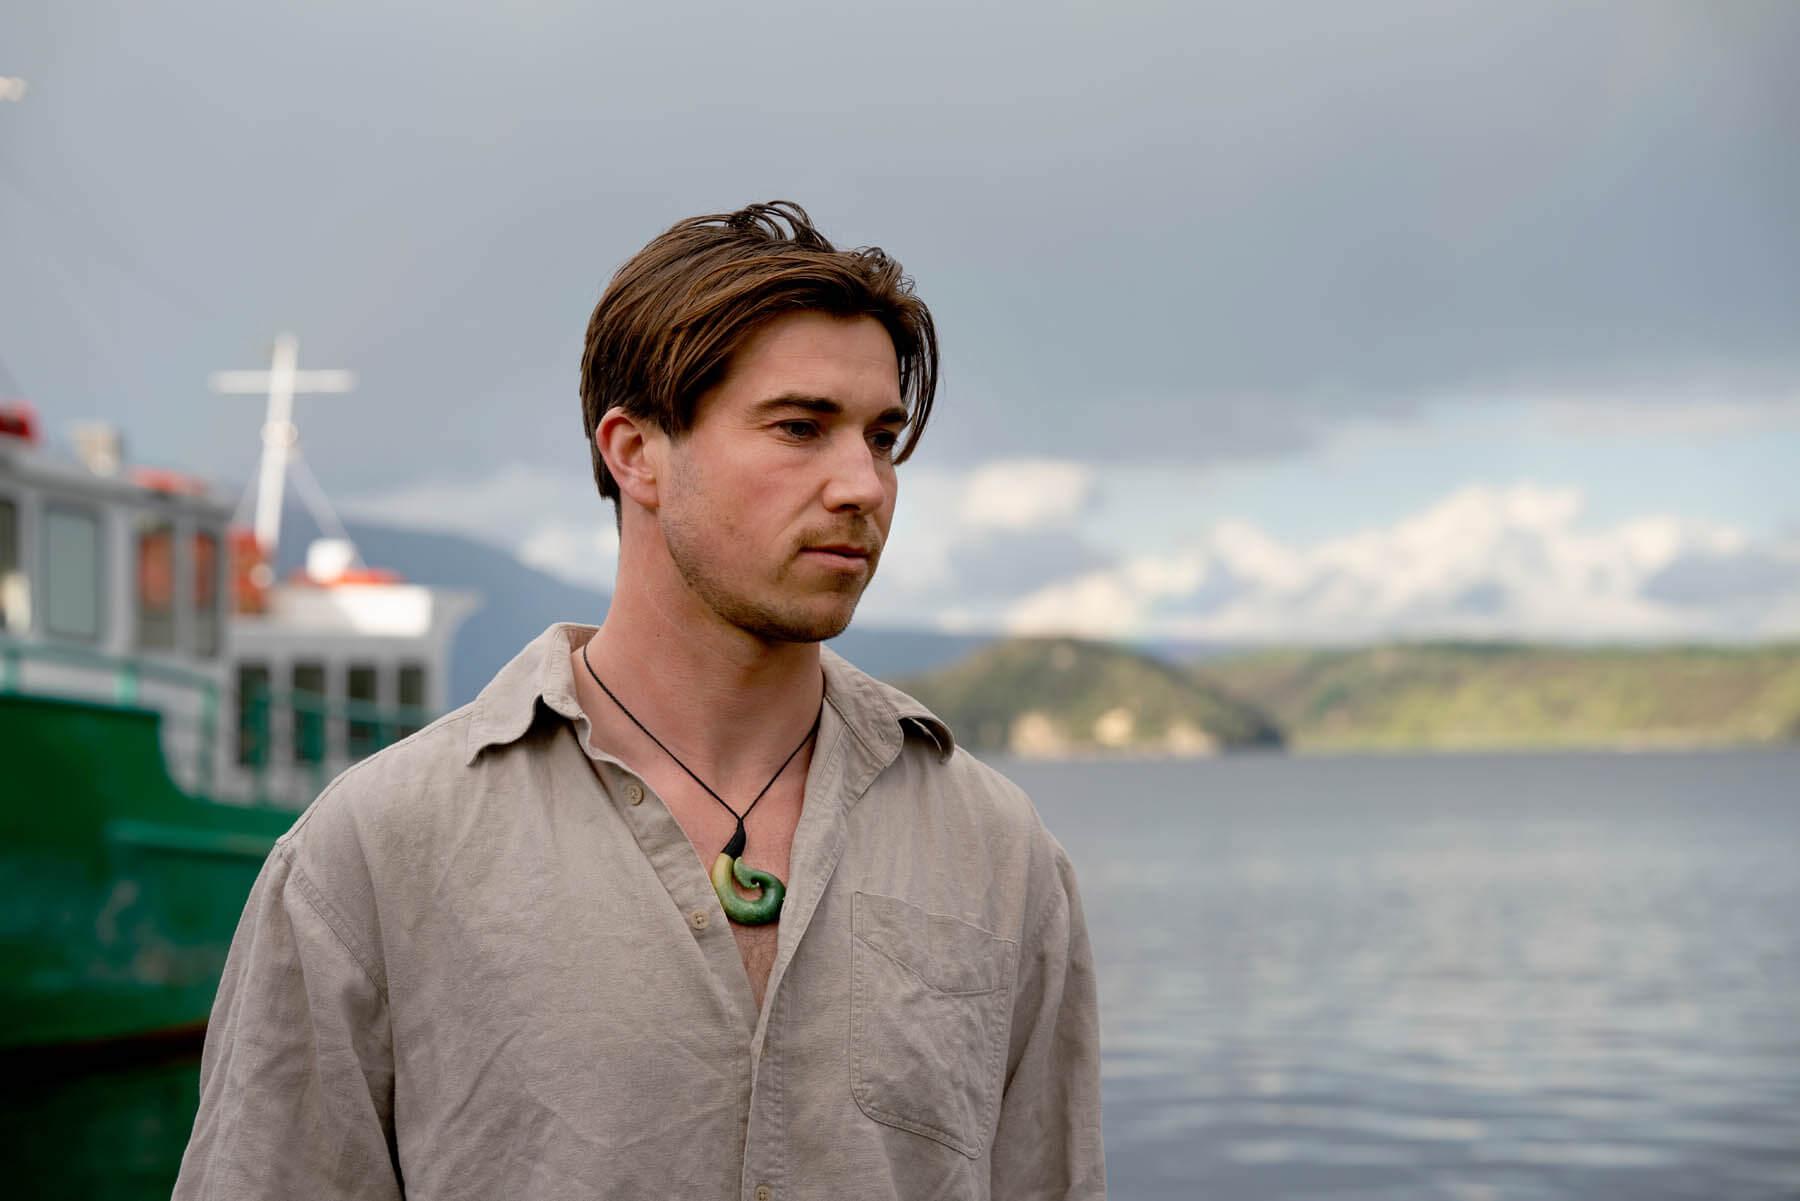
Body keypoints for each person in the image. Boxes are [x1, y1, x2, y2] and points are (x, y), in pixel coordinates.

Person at [174, 201, 1106, 1200]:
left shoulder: (997, 851)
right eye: (801, 427)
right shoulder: (374, 850)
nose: (863, 485)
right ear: (634, 452)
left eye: (882, 438)